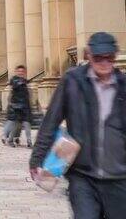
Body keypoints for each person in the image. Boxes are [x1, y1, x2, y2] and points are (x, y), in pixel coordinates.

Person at [30, 32, 126, 217]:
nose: (104, 62)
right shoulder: (72, 81)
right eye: (99, 57)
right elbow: (51, 120)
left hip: (119, 177)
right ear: (88, 55)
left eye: (109, 57)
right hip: (82, 175)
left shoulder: (123, 85)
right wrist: (37, 158)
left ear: (115, 56)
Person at [2, 65, 32, 148]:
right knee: (13, 123)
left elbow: (27, 96)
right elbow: (14, 84)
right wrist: (22, 82)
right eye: (19, 71)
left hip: (25, 107)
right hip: (15, 107)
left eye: (22, 71)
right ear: (16, 72)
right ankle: (7, 138)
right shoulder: (15, 80)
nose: (21, 73)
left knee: (26, 124)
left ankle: (29, 141)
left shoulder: (25, 82)